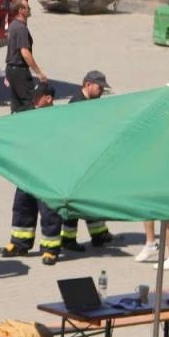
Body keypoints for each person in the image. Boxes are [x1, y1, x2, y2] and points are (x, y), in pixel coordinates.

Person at [0, 81, 68, 265]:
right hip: (27, 172)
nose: (34, 100)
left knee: (49, 211)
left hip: (48, 174)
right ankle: (20, 244)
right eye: (34, 96)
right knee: (22, 207)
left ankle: (50, 249)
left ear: (49, 98)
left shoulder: (60, 118)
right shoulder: (31, 115)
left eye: (38, 97)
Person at [63, 71, 114, 249]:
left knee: (92, 198)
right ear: (88, 84)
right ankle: (68, 239)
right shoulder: (77, 104)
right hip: (77, 163)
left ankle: (99, 234)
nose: (101, 92)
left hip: (88, 162)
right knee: (75, 201)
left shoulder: (90, 102)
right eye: (100, 88)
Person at [3, 0, 48, 114]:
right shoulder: (21, 28)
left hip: (12, 69)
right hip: (19, 71)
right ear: (20, 10)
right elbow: (25, 53)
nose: (30, 9)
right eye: (27, 7)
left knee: (17, 104)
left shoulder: (13, 25)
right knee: (28, 103)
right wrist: (38, 72)